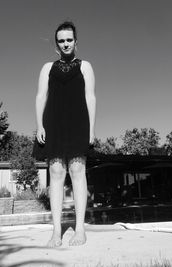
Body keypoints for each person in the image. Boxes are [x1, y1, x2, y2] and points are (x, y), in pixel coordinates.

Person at [32, 21, 96, 247]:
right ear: (56, 45)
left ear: (76, 42)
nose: (66, 44)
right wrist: (39, 125)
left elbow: (91, 97)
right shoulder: (47, 68)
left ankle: (80, 229)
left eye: (69, 40)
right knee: (56, 172)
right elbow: (40, 97)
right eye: (61, 40)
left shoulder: (85, 66)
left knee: (78, 169)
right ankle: (56, 232)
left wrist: (92, 129)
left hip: (78, 122)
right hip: (54, 122)